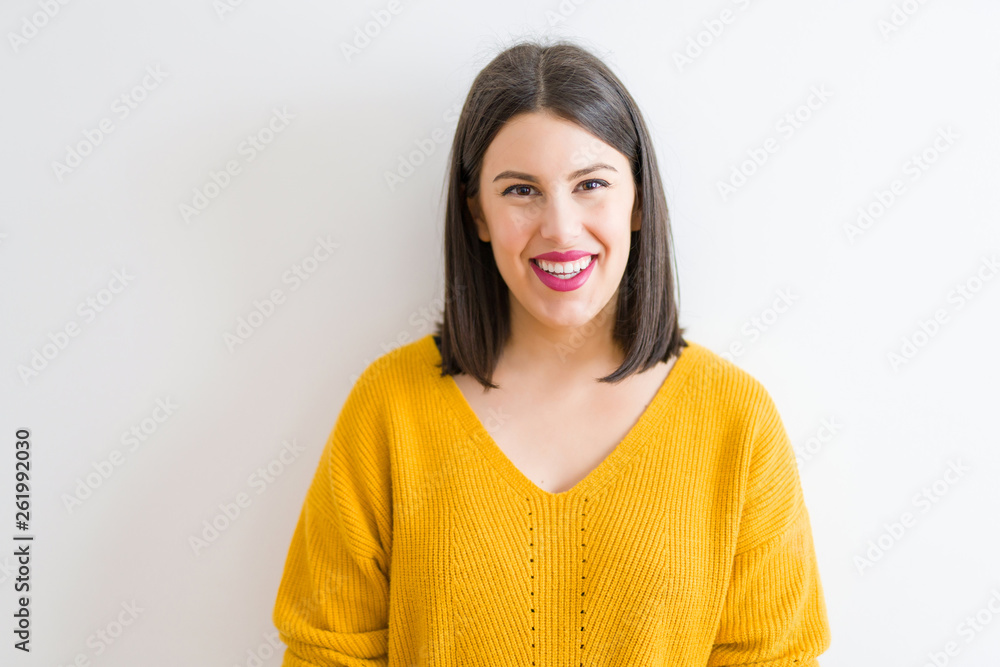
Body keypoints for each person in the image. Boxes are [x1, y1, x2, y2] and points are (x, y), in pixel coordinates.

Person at [272, 38, 832, 666]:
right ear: (477, 215)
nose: (561, 229)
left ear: (638, 201)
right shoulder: (388, 408)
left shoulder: (736, 419)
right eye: (521, 191)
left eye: (590, 184)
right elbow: (325, 653)